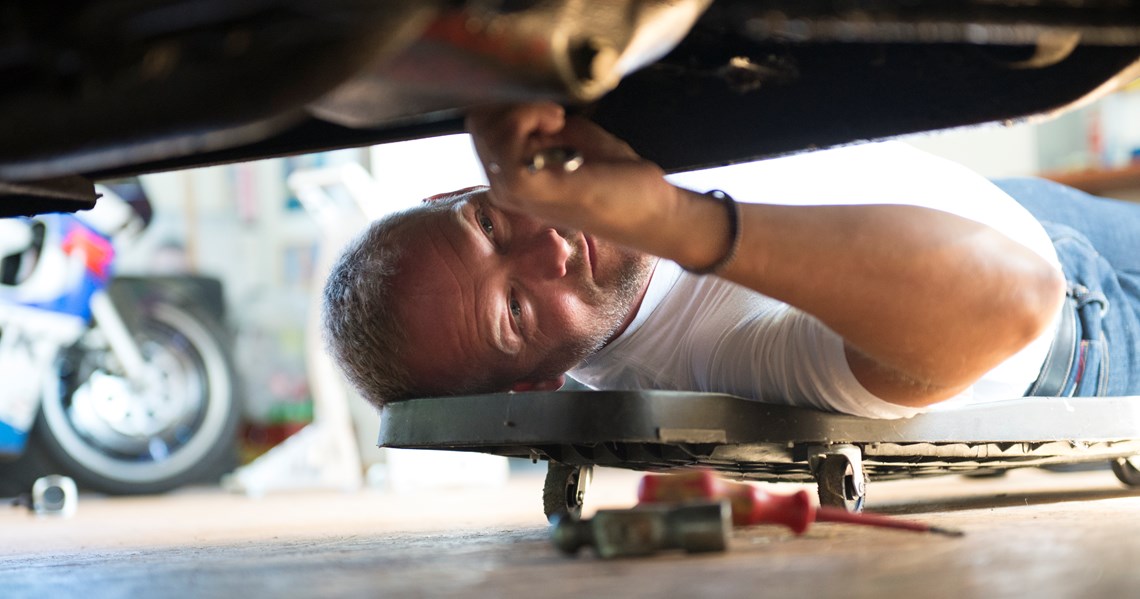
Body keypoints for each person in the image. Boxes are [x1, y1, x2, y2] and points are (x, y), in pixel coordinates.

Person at [322, 102, 1140, 419]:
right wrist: (676, 223)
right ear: (534, 382)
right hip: (1095, 343)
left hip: (1033, 208)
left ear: (460, 188)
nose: (549, 244)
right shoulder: (710, 362)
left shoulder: (567, 149)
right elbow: (1016, 301)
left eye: (488, 227)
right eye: (515, 310)